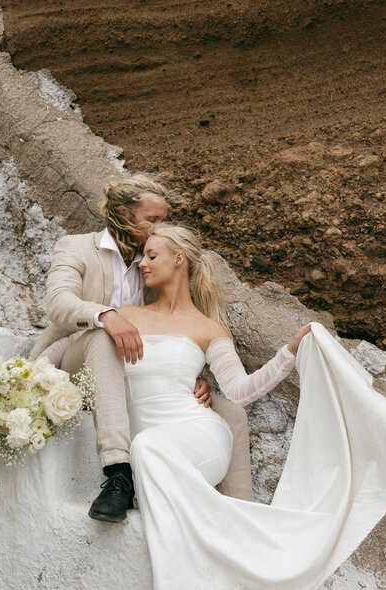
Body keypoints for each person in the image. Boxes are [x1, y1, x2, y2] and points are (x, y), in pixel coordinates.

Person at [116, 223, 386, 590]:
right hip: (153, 445)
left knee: (148, 448)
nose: (142, 263)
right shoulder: (125, 317)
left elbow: (239, 391)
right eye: (141, 256)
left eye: (151, 255)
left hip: (199, 436)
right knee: (147, 448)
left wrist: (289, 352)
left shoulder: (207, 328)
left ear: (179, 259)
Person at [30, 174, 253, 523]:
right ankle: (119, 474)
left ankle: (244, 514)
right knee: (104, 338)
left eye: (163, 221)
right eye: (153, 220)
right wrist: (105, 316)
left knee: (232, 415)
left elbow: (172, 326)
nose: (158, 229)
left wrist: (193, 376)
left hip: (134, 374)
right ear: (123, 213)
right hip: (77, 362)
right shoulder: (76, 247)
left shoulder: (151, 263)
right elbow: (59, 302)